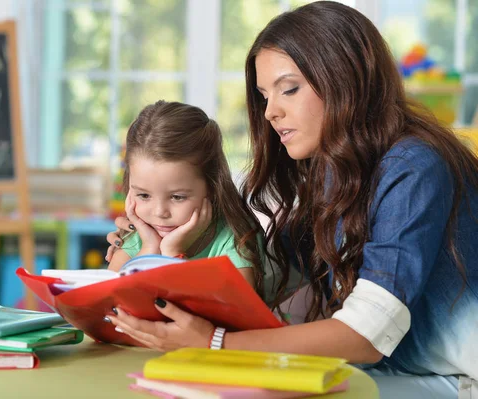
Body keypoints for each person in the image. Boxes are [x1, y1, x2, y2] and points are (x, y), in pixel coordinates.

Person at [105, 2, 478, 397]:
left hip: (458, 380)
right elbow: (262, 280)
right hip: (401, 373)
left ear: (345, 78)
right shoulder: (338, 174)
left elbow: (366, 333)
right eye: (265, 95)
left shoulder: (414, 165)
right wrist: (162, 240)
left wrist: (213, 342)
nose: (270, 112)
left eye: (289, 89)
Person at [107, 100, 266, 293]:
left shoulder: (235, 241)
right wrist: (149, 249)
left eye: (177, 197)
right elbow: (110, 302)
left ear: (212, 186)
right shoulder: (142, 237)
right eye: (143, 195)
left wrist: (173, 253)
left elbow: (239, 312)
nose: (159, 212)